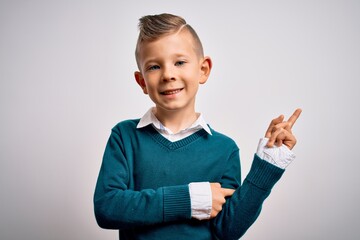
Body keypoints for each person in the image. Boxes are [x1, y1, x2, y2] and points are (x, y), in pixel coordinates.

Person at [93, 13, 302, 240]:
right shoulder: (124, 137)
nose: (168, 75)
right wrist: (190, 199)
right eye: (154, 67)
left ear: (203, 70)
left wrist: (268, 164)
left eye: (180, 62)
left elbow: (228, 230)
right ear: (142, 81)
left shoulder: (225, 149)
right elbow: (107, 208)